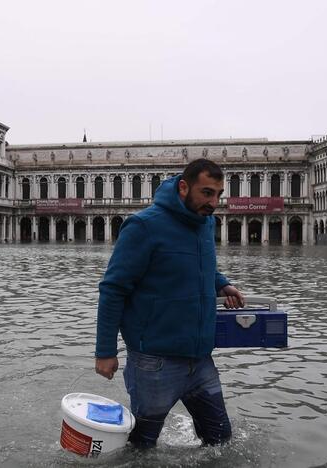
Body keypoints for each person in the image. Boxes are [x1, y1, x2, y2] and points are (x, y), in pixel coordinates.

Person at [95, 158, 245, 449]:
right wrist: (105, 351)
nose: (214, 202)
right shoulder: (143, 226)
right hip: (155, 362)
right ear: (183, 187)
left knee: (221, 442)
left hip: (200, 359)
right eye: (206, 193)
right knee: (141, 449)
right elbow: (113, 289)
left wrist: (222, 283)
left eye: (218, 194)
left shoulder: (205, 223)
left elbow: (201, 266)